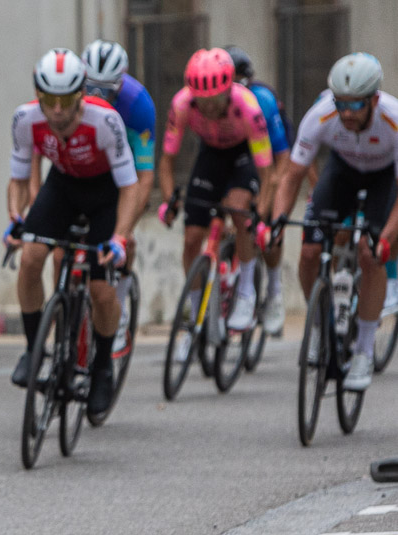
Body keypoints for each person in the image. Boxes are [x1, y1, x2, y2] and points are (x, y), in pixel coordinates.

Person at [6, 48, 141, 417]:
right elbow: (18, 179)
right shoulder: (25, 119)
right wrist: (16, 218)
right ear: (39, 95)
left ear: (81, 93)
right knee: (31, 257)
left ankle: (101, 369)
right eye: (50, 100)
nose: (58, 110)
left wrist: (119, 237)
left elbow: (130, 187)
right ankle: (34, 351)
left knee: (100, 289)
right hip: (62, 186)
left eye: (67, 100)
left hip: (104, 194)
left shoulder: (105, 122)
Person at [267, 52, 398, 391]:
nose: (346, 114)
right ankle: (319, 324)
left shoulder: (393, 119)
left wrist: (384, 238)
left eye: (355, 106)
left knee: (372, 255)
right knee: (310, 252)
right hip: (342, 172)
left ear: (374, 100)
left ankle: (365, 350)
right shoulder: (322, 114)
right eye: (341, 104)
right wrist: (278, 221)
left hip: (385, 179)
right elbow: (292, 176)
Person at [157, 48, 274, 361]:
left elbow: (267, 171)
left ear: (228, 89)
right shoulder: (182, 104)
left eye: (215, 100)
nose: (208, 107)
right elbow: (166, 161)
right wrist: (169, 200)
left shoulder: (247, 107)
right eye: (202, 101)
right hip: (210, 155)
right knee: (192, 238)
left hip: (244, 155)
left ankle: (247, 291)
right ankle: (196, 319)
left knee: (238, 209)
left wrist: (260, 212)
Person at [80, 40, 157, 352]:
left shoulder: (138, 104)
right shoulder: (70, 97)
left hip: (122, 175)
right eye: (89, 89)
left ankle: (120, 303)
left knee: (124, 239)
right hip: (86, 169)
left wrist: (124, 231)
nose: (97, 98)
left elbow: (144, 174)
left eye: (106, 91)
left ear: (120, 84)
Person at [225, 45, 291, 335]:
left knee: (269, 227)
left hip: (272, 158)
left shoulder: (262, 100)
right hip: (238, 157)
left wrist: (270, 197)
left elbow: (282, 159)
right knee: (234, 208)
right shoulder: (214, 105)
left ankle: (274, 290)